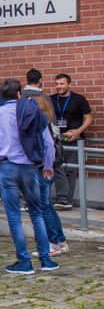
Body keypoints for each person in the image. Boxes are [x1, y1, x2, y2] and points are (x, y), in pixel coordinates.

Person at [0, 79, 57, 275]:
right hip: (30, 167)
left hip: (6, 167)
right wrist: (48, 164)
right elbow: (48, 143)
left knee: (14, 216)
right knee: (37, 212)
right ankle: (46, 258)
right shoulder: (33, 112)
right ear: (19, 93)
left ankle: (24, 261)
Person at [31, 94, 69, 258]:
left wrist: (47, 166)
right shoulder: (47, 122)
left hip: (44, 168)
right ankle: (59, 241)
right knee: (46, 206)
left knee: (44, 207)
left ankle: (55, 242)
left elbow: (49, 147)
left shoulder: (42, 124)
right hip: (47, 166)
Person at [50, 73, 93, 209]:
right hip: (57, 140)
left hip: (73, 140)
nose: (59, 87)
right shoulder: (51, 99)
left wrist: (78, 131)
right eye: (57, 84)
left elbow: (89, 118)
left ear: (69, 84)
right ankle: (61, 199)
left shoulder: (79, 99)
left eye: (62, 84)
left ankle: (67, 201)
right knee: (57, 168)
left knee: (71, 170)